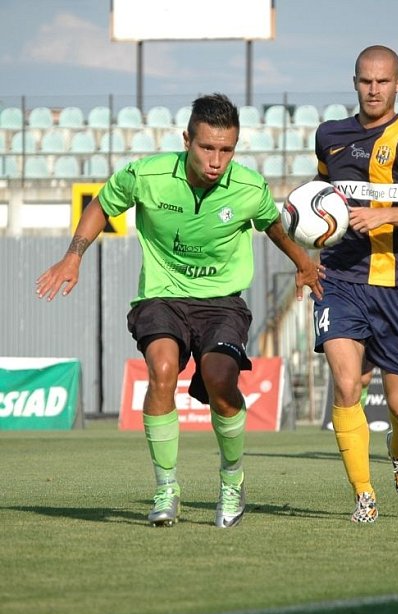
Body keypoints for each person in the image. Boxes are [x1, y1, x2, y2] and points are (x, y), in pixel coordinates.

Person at [36, 93, 323, 529]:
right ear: (186, 139)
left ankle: (232, 480)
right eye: (207, 147)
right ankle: (166, 487)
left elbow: (272, 225)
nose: (216, 160)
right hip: (162, 295)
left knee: (221, 381)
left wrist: (303, 262)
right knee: (163, 370)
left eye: (226, 150)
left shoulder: (249, 187)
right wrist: (74, 254)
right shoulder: (147, 175)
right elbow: (102, 204)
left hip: (222, 301)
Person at [312, 45, 398, 523]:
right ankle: (363, 495)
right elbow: (320, 194)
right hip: (341, 279)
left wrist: (383, 215)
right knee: (347, 386)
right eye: (366, 81)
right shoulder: (329, 135)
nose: (374, 89)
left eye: (382, 81)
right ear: (355, 82)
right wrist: (307, 237)